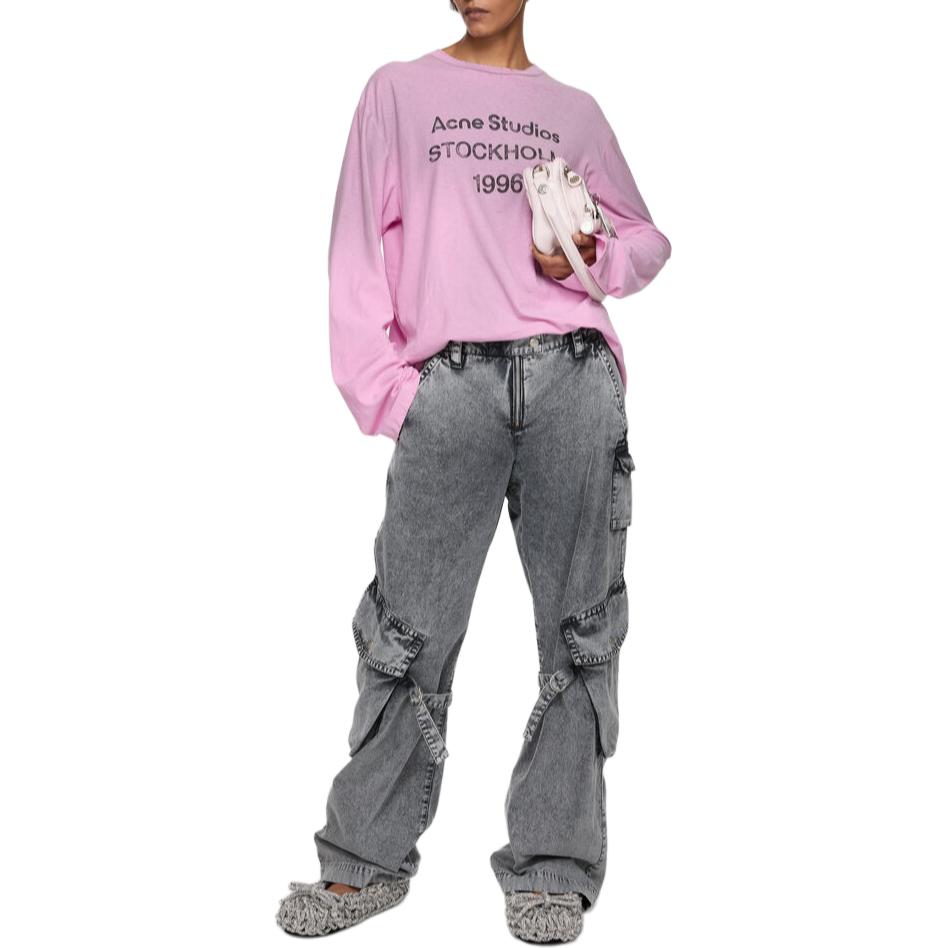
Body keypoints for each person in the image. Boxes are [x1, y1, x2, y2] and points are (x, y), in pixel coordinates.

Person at [276, 1, 671, 941]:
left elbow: (648, 241)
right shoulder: (397, 92)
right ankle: (364, 860)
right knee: (406, 628)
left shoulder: (574, 110)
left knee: (581, 632)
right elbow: (354, 248)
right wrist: (391, 395)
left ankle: (553, 867)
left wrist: (587, 255)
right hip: (447, 385)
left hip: (572, 375)